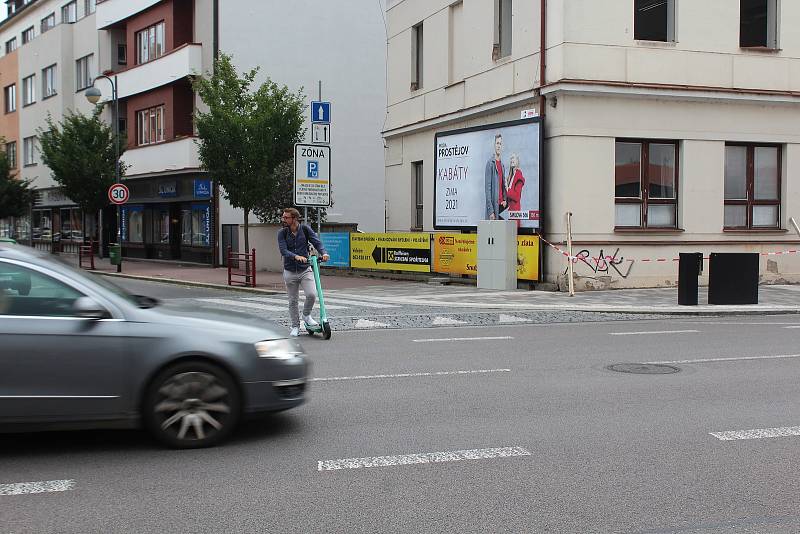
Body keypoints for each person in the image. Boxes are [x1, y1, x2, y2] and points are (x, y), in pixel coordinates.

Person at [277, 208, 329, 336]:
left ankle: (306, 315)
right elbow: (283, 250)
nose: (283, 220)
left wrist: (324, 253)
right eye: (283, 217)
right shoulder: (282, 233)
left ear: (294, 218)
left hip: (305, 269)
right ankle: (295, 326)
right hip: (290, 271)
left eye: (286, 218)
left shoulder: (305, 230)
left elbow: (316, 242)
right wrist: (296, 256)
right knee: (293, 300)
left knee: (312, 294)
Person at [484, 133, 507, 220]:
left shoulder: (502, 165)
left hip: (501, 208)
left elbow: (503, 186)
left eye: (500, 144)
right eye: (497, 143)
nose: (498, 146)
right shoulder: (490, 164)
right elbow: (487, 189)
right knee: (493, 233)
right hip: (494, 209)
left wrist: (505, 199)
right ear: (494, 145)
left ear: (502, 147)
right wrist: (490, 211)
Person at [505, 153, 526, 228]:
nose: (512, 160)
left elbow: (517, 196)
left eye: (513, 158)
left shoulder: (519, 176)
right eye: (511, 158)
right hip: (511, 211)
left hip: (515, 211)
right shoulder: (511, 176)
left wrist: (507, 189)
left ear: (517, 161)